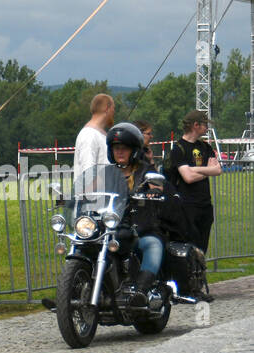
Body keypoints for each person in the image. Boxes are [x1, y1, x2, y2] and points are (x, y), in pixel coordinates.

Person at [105, 122, 188, 308]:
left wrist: (154, 192)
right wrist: (73, 198)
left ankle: (141, 291)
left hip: (140, 225)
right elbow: (89, 190)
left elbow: (158, 186)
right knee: (85, 242)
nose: (119, 152)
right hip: (111, 228)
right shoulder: (106, 173)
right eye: (116, 148)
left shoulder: (145, 170)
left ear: (133, 150)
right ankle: (72, 293)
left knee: (152, 244)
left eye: (124, 148)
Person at [166, 110, 221, 258]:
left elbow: (217, 170)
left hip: (205, 205)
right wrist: (207, 170)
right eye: (204, 125)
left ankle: (200, 278)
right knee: (190, 249)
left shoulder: (206, 147)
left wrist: (194, 169)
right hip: (187, 207)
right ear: (195, 125)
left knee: (202, 250)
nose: (207, 128)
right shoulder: (178, 149)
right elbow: (188, 177)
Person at [74, 93, 115, 179]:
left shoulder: (100, 134)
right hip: (93, 192)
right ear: (107, 109)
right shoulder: (89, 134)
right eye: (113, 109)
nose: (113, 113)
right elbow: (88, 172)